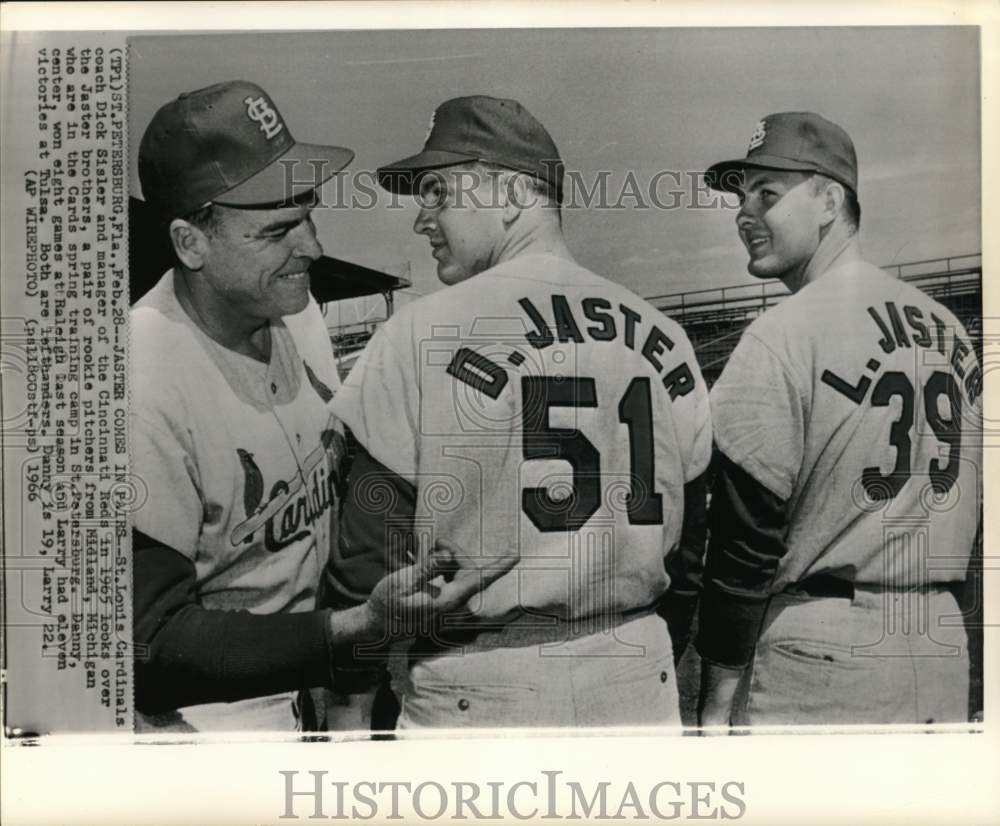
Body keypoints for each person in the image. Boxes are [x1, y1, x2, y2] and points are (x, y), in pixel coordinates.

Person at [130, 81, 513, 733]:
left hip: (335, 674)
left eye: (308, 214)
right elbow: (151, 649)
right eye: (278, 230)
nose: (309, 247)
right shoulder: (138, 380)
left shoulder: (294, 308)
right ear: (190, 243)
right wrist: (355, 626)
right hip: (220, 717)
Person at [323, 95, 712, 728]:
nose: (421, 220)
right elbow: (690, 554)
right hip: (639, 675)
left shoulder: (418, 332)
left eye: (437, 193)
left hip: (482, 685)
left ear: (509, 195)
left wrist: (347, 714)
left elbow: (368, 559)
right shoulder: (663, 334)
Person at [696, 112, 982, 728]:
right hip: (941, 640)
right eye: (740, 197)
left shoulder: (783, 333)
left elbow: (745, 541)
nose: (744, 215)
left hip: (826, 644)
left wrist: (717, 699)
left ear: (829, 200)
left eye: (766, 194)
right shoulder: (951, 330)